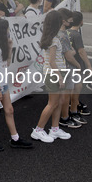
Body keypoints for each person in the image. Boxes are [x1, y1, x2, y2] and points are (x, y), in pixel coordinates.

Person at [0, 18, 32, 150]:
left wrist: (9, 48)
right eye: (7, 29)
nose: (9, 32)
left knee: (9, 110)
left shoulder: (0, 47)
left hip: (2, 83)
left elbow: (7, 63)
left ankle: (15, 138)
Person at [31, 11, 72, 143]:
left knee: (59, 102)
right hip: (54, 73)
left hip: (57, 72)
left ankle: (55, 128)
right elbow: (52, 62)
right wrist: (59, 77)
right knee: (52, 103)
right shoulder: (53, 40)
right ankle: (38, 130)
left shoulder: (51, 37)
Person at [66, 11, 92, 117]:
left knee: (71, 87)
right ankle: (74, 108)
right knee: (77, 87)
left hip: (68, 64)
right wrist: (89, 65)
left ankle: (73, 104)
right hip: (76, 64)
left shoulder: (67, 32)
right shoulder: (76, 35)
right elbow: (81, 52)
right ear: (81, 21)